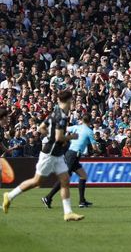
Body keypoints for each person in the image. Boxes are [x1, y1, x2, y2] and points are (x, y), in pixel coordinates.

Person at [3, 90, 84, 222]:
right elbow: (59, 137)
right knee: (37, 181)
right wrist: (72, 136)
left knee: (65, 180)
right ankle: (10, 195)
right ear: (69, 100)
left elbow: (41, 128)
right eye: (72, 100)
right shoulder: (61, 116)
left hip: (56, 154)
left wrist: (50, 136)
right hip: (50, 154)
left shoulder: (55, 113)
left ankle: (68, 212)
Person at [41, 113, 99, 209]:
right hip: (73, 155)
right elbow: (94, 147)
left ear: (82, 120)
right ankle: (48, 198)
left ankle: (82, 201)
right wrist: (98, 150)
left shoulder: (76, 127)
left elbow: (65, 129)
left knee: (83, 176)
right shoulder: (89, 131)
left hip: (72, 154)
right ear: (90, 121)